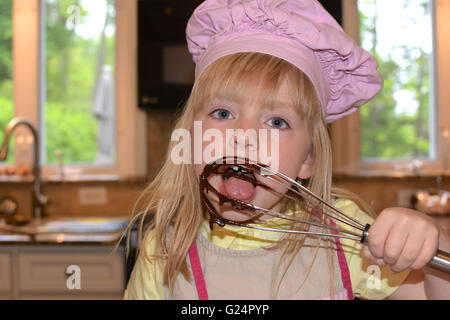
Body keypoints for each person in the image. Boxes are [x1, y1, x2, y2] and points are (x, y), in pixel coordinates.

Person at [124, 0, 450, 300]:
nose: (244, 135)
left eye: (277, 121)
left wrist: (434, 243)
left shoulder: (346, 240)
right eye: (222, 113)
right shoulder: (163, 254)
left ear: (308, 159)